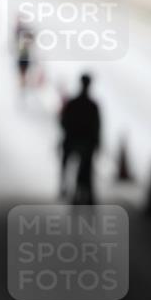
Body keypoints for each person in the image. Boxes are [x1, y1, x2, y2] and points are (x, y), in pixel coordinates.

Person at [59, 74, 101, 203]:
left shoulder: (74, 103)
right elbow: (97, 126)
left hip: (74, 140)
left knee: (69, 163)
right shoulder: (92, 105)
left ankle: (65, 186)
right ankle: (86, 192)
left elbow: (63, 121)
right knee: (86, 166)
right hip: (82, 141)